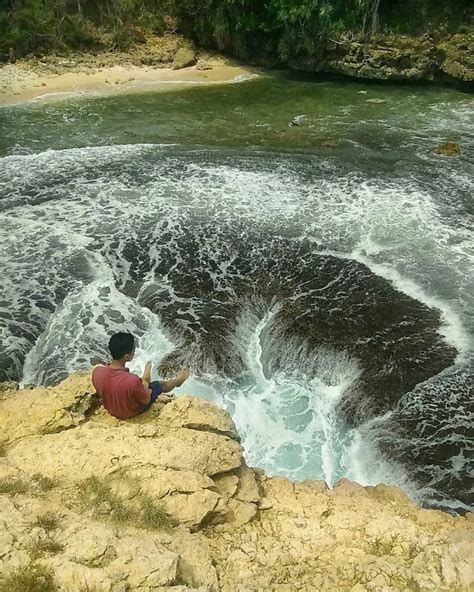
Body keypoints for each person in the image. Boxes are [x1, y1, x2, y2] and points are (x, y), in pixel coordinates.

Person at [92, 332, 189, 420]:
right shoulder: (132, 380)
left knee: (136, 384)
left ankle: (145, 378)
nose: (135, 350)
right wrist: (145, 384)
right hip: (131, 412)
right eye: (134, 349)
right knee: (159, 384)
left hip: (112, 409)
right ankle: (177, 381)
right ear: (127, 357)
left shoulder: (97, 372)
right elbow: (146, 400)